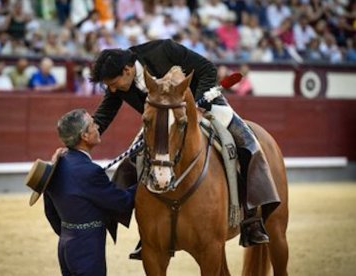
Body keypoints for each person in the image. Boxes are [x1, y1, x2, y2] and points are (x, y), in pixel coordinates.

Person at [89, 39, 280, 255]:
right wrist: (85, 137)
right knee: (129, 163)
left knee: (248, 144)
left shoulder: (164, 50)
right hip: (162, 122)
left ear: (127, 69)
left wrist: (196, 105)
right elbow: (105, 113)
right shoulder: (119, 81)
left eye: (113, 83)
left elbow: (207, 69)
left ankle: (253, 219)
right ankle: (148, 233)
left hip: (205, 106)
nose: (112, 89)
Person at [28, 108, 136, 275]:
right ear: (84, 136)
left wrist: (70, 233)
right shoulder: (90, 172)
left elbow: (51, 212)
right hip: (87, 249)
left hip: (66, 247)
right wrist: (145, 183)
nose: (98, 127)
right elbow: (123, 202)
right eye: (93, 125)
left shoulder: (57, 164)